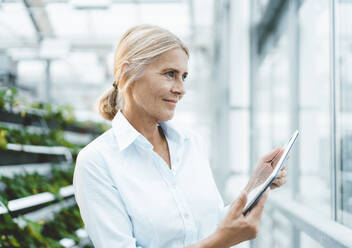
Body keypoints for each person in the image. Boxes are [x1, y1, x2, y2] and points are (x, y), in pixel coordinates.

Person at [73, 24, 288, 248]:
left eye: (183, 76)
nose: (181, 89)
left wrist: (256, 184)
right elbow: (218, 238)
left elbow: (209, 225)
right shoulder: (96, 162)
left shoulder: (189, 143)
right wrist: (221, 241)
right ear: (126, 73)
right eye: (170, 74)